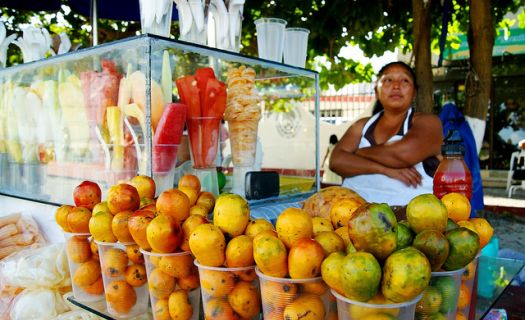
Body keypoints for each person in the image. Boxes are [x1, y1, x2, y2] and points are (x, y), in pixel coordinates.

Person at [329, 61, 443, 206]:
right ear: (376, 90)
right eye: (388, 80)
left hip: (410, 221)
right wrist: (385, 169)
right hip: (349, 215)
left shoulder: (428, 122)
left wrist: (357, 153)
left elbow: (403, 154)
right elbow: (336, 161)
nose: (396, 86)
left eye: (405, 81)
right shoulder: (362, 125)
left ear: (414, 92)